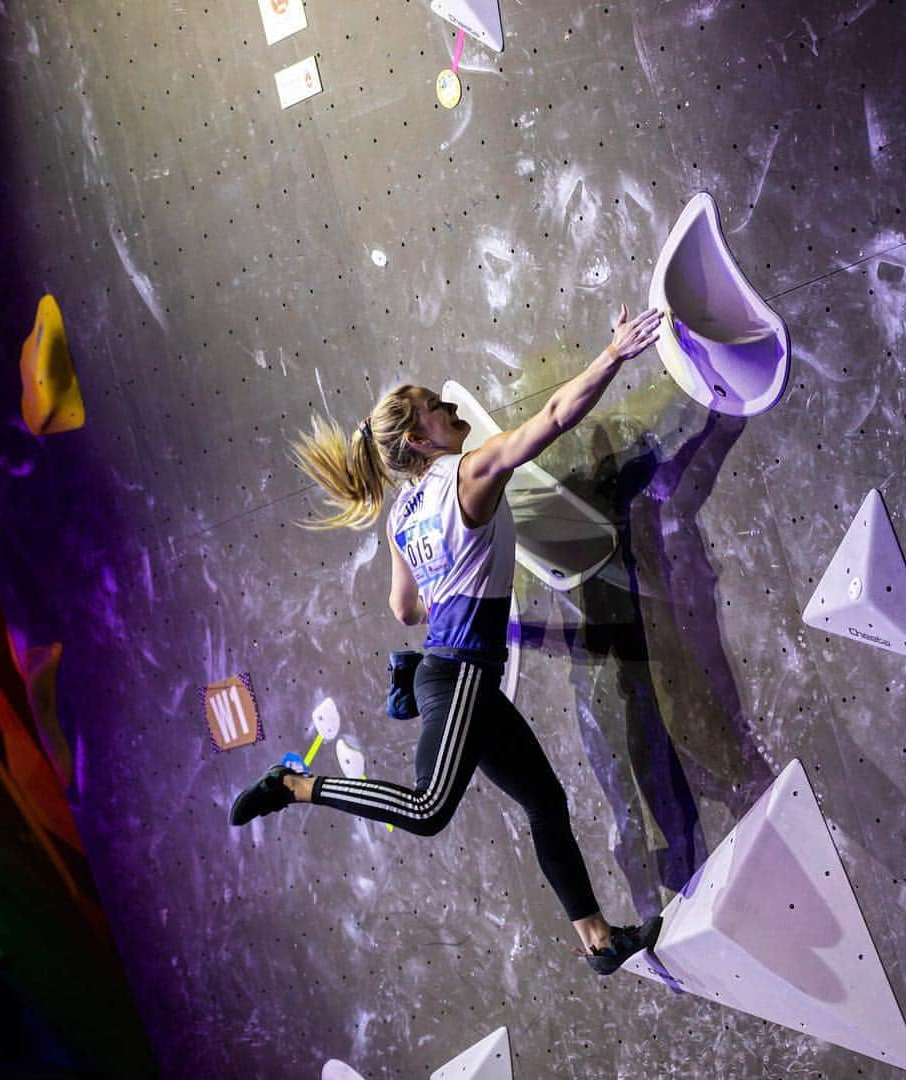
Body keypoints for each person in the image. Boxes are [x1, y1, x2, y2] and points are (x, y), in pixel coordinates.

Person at [231, 305, 664, 974]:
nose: (448, 406)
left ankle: (600, 940)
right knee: (429, 807)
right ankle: (294, 786)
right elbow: (552, 418)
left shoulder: (402, 513)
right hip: (460, 674)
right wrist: (612, 354)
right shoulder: (468, 474)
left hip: (457, 674)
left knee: (545, 801)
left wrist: (457, 582)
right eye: (436, 407)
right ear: (416, 440)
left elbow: (404, 608)